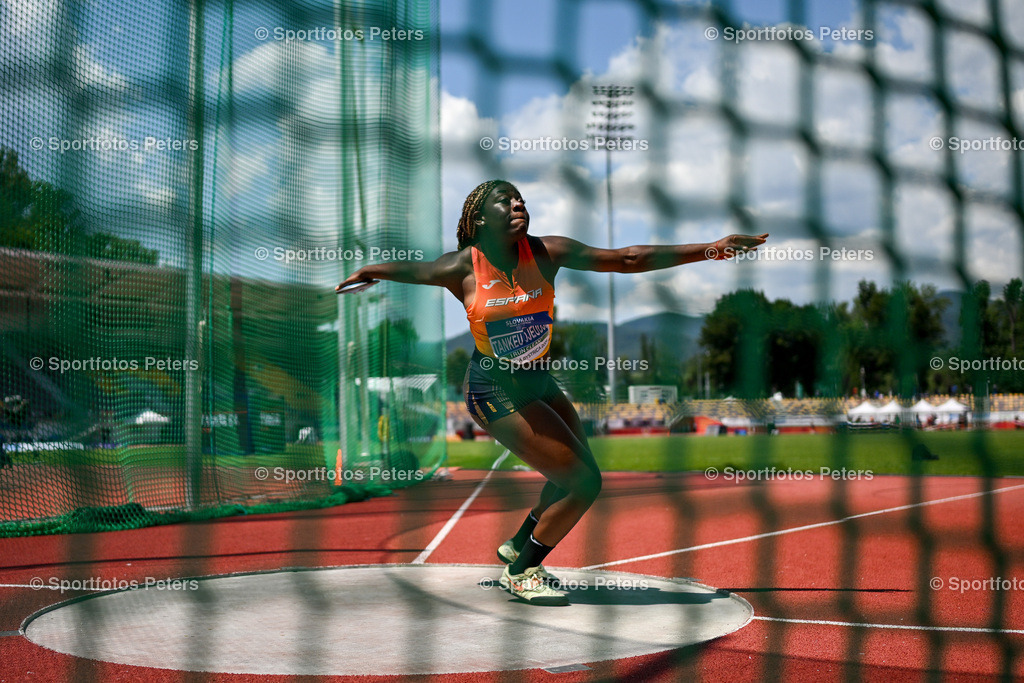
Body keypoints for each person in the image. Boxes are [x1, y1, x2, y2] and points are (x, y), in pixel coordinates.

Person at [337, 179, 767, 605]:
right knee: (583, 483)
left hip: (539, 382)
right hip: (493, 390)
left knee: (571, 476)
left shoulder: (545, 252)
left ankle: (519, 542)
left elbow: (628, 259)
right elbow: (413, 271)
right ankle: (522, 571)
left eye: (520, 198)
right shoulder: (462, 267)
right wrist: (371, 271)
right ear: (480, 219)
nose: (517, 203)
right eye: (504, 201)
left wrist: (714, 248)